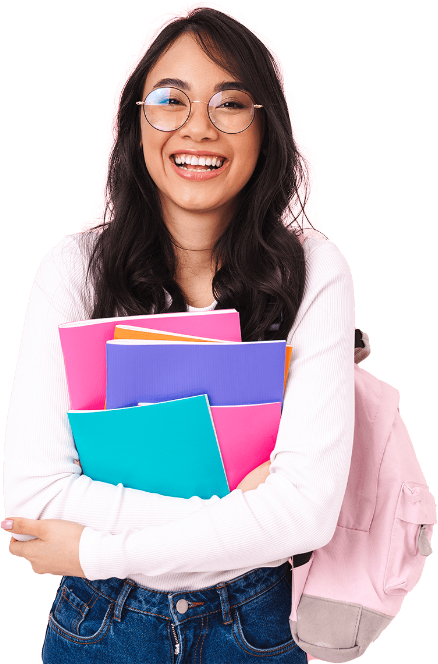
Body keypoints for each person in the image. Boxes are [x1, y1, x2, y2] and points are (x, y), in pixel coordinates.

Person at [4, 3, 360, 662]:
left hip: (255, 624)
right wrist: (248, 509)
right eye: (171, 100)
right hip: (98, 625)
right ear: (136, 121)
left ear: (265, 129)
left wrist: (93, 547)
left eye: (230, 104)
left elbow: (306, 517)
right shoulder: (72, 271)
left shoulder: (316, 272)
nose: (198, 129)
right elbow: (36, 498)